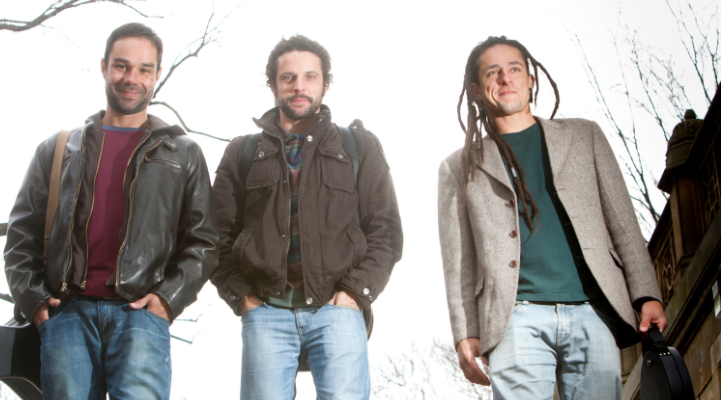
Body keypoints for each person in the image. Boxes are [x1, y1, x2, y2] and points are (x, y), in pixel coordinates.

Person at [438, 36, 667, 400]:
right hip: (514, 319)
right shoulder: (458, 167)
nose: (505, 79)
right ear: (477, 91)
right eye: (492, 73)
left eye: (514, 69)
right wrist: (465, 332)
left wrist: (646, 294)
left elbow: (622, 222)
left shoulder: (584, 136)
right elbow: (459, 261)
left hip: (594, 311)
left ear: (531, 79)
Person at [3, 22, 218, 400]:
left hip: (141, 317)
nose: (131, 78)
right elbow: (21, 235)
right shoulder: (57, 150)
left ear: (156, 75)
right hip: (66, 316)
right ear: (104, 67)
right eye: (121, 66)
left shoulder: (182, 154)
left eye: (143, 69)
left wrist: (167, 300)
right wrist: (34, 300)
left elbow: (204, 242)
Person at [211, 35, 403, 400]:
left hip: (338, 308)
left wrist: (354, 292)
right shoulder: (242, 151)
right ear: (272, 84)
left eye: (310, 77)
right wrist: (243, 298)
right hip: (265, 312)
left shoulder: (358, 145)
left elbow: (386, 230)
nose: (299, 86)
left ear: (326, 83)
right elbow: (215, 236)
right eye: (288, 78)